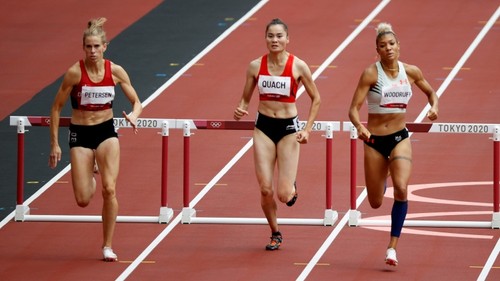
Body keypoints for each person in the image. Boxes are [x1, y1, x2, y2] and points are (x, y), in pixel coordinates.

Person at [48, 17, 143, 262]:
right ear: (83, 47)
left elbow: (136, 100)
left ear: (105, 47)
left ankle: (107, 246)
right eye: (88, 47)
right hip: (80, 134)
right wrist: (55, 143)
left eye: (96, 47)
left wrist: (134, 115)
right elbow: (56, 108)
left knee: (109, 189)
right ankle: (89, 169)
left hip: (106, 132)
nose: (92, 51)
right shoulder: (74, 72)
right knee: (82, 200)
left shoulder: (116, 71)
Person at [348, 22, 438, 266]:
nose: (388, 49)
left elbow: (431, 93)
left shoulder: (410, 72)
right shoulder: (370, 73)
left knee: (400, 188)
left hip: (399, 138)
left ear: (399, 46)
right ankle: (384, 168)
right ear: (376, 50)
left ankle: (392, 247)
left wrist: (434, 107)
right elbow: (353, 109)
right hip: (374, 141)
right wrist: (360, 126)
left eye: (391, 44)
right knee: (375, 202)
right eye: (382, 46)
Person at [234, 18, 321, 251]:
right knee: (265, 189)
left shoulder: (298, 66)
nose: (275, 40)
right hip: (263, 128)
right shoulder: (255, 66)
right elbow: (245, 98)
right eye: (270, 36)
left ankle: (290, 186)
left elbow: (317, 99)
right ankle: (275, 232)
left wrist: (308, 128)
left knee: (283, 195)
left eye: (279, 36)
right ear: (265, 38)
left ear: (287, 39)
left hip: (288, 130)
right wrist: (241, 107)